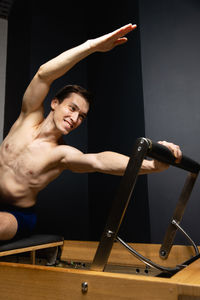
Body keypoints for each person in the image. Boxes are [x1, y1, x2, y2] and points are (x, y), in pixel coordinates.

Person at [0, 23, 182, 241]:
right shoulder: (27, 118)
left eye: (82, 116)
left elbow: (98, 161)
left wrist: (151, 166)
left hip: (16, 215)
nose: (75, 119)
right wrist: (91, 47)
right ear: (55, 103)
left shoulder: (61, 154)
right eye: (72, 108)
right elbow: (43, 75)